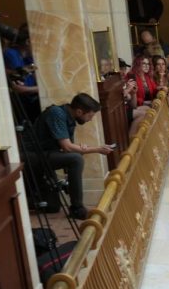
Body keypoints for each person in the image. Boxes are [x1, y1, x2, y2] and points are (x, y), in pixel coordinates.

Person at [29, 93, 113, 221]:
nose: (90, 119)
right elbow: (67, 147)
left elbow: (67, 148)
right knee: (76, 159)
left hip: (45, 154)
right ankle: (77, 208)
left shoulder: (69, 117)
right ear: (79, 111)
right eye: (90, 115)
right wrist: (97, 149)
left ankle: (37, 196)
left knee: (52, 207)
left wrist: (80, 149)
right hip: (31, 155)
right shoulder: (56, 113)